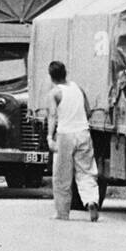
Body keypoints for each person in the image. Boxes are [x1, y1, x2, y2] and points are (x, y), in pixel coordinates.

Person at [47, 60, 99, 221]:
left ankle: (62, 213)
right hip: (83, 133)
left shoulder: (54, 93)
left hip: (65, 135)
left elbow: (52, 116)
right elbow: (88, 112)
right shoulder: (78, 88)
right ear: (65, 72)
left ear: (51, 77)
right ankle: (91, 200)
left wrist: (50, 137)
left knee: (62, 175)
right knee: (86, 170)